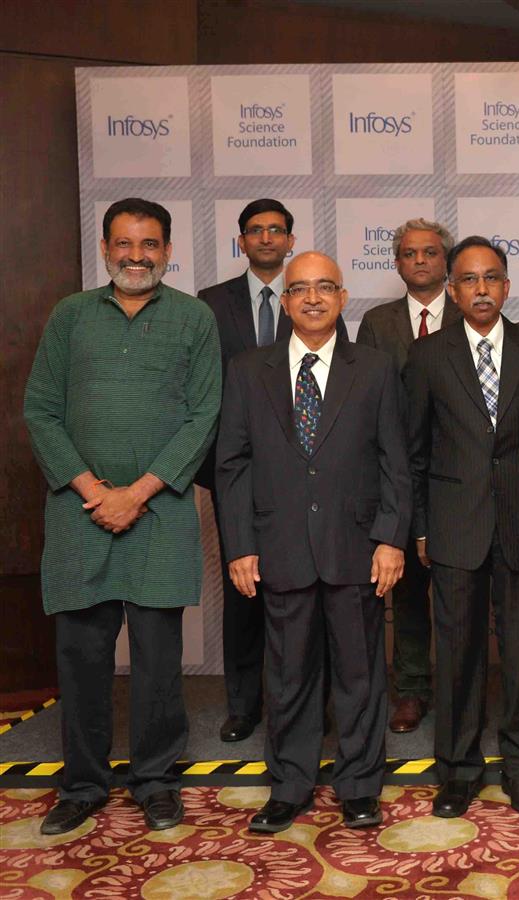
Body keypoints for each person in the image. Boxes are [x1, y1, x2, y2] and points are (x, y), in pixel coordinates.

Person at [24, 198, 221, 835]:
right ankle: (81, 783)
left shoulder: (194, 319)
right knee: (82, 657)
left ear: (167, 250)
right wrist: (93, 490)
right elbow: (40, 412)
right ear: (105, 248)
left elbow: (204, 417)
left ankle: (157, 780)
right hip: (80, 514)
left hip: (158, 512)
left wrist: (135, 493)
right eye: (124, 245)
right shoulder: (70, 316)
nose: (137, 257)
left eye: (150, 245)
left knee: (160, 661)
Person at [216, 251, 409, 834]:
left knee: (359, 675)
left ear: (343, 298)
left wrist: (391, 538)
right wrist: (240, 545)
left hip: (356, 546)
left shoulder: (374, 368)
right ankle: (290, 785)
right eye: (300, 288)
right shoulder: (250, 370)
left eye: (326, 287)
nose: (314, 297)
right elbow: (232, 464)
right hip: (279, 548)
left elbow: (395, 461)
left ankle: (358, 786)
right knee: (289, 674)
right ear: (286, 300)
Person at [404, 235, 519, 818]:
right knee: (457, 655)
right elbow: (415, 452)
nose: (481, 289)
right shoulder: (427, 356)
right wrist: (421, 528)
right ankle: (458, 772)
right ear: (452, 289)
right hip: (454, 528)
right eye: (469, 279)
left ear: (507, 285)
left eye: (491, 277)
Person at [198, 199, 349, 744]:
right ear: (241, 241)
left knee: (320, 592)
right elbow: (204, 390)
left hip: (313, 467)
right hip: (240, 467)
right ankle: (244, 704)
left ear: (290, 239)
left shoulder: (318, 300)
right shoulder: (211, 304)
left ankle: (320, 704)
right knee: (245, 588)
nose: (266, 238)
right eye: (255, 230)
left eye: (276, 230)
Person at [355, 217, 453, 735]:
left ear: (446, 261)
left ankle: (463, 689)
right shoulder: (377, 322)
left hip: (461, 475)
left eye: (430, 252)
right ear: (397, 263)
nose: (419, 260)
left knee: (463, 593)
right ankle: (412, 690)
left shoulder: (471, 313)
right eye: (409, 253)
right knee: (409, 591)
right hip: (398, 473)